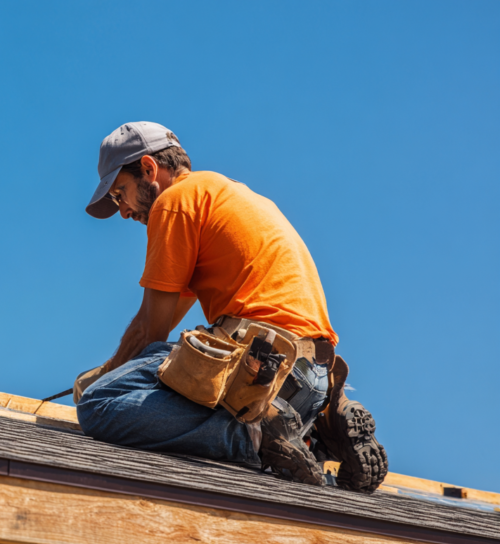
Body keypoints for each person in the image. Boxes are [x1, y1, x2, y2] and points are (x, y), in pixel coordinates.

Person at [75, 121, 387, 491]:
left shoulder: (175, 202)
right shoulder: (228, 195)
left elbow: (150, 331)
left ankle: (252, 437)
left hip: (260, 368)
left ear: (147, 169)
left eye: (119, 194)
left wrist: (104, 376)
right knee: (176, 361)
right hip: (313, 377)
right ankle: (315, 433)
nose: (123, 211)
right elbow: (162, 325)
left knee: (98, 404)